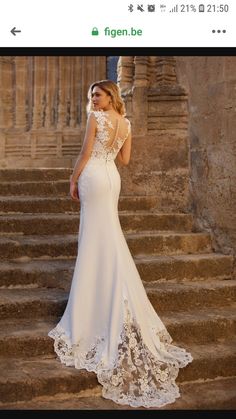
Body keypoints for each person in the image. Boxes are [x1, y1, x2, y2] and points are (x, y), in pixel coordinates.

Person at [48, 79, 193, 408]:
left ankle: (94, 305)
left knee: (94, 239)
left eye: (97, 94)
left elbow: (85, 154)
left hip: (94, 177)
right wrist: (111, 149)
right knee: (108, 236)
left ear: (109, 95)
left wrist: (72, 180)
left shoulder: (96, 119)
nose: (93, 100)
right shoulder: (125, 123)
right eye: (91, 96)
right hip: (112, 178)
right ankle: (114, 294)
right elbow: (125, 160)